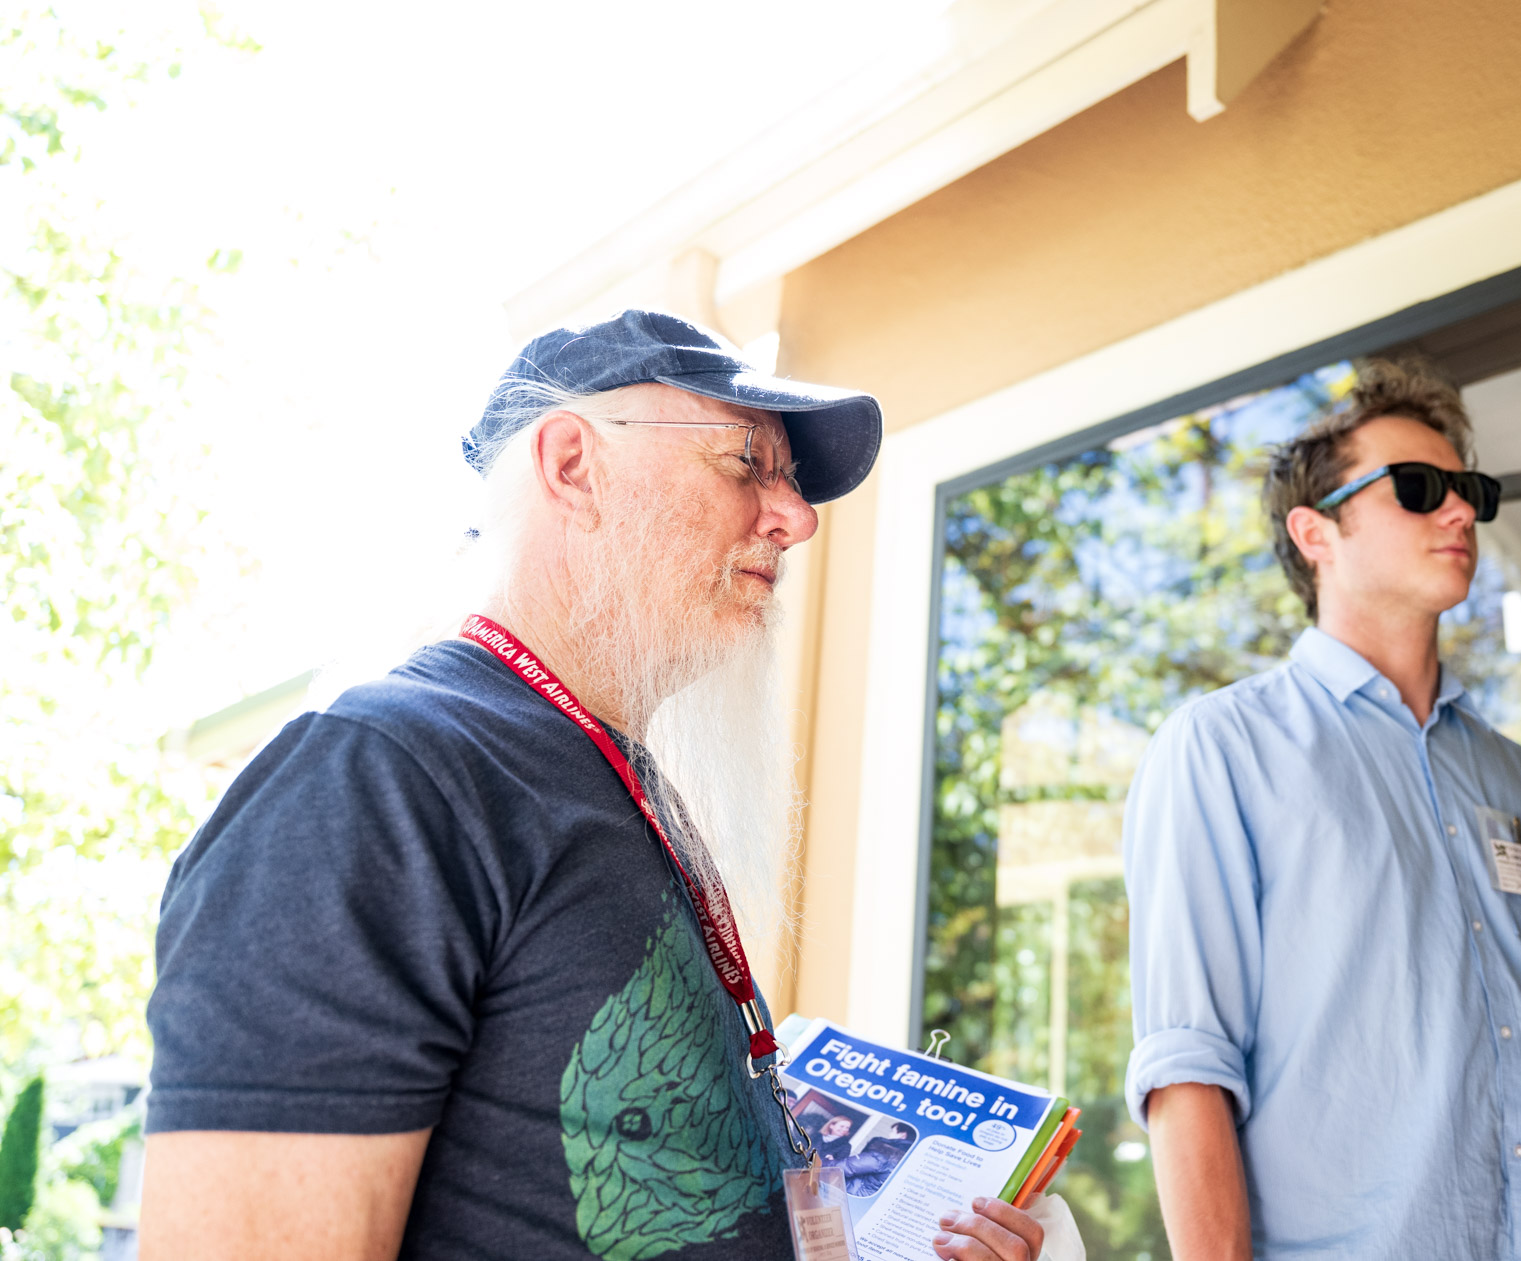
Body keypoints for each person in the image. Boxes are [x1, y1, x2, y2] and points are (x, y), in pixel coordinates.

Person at [138, 310, 1046, 1261]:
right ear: (573, 466)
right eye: (747, 463)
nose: (799, 516)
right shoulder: (378, 775)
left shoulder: (616, 781)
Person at [1122, 360, 1521, 1260]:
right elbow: (1189, 1064)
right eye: (1418, 488)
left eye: (1470, 492)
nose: (1458, 512)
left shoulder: (1518, 777)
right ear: (1315, 531)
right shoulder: (1220, 748)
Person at [840, 1122, 918, 1198]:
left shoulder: (886, 1152)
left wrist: (828, 1163)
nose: (889, 1134)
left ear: (902, 1135)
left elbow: (845, 1167)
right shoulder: (909, 1159)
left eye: (892, 1131)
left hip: (854, 1193)